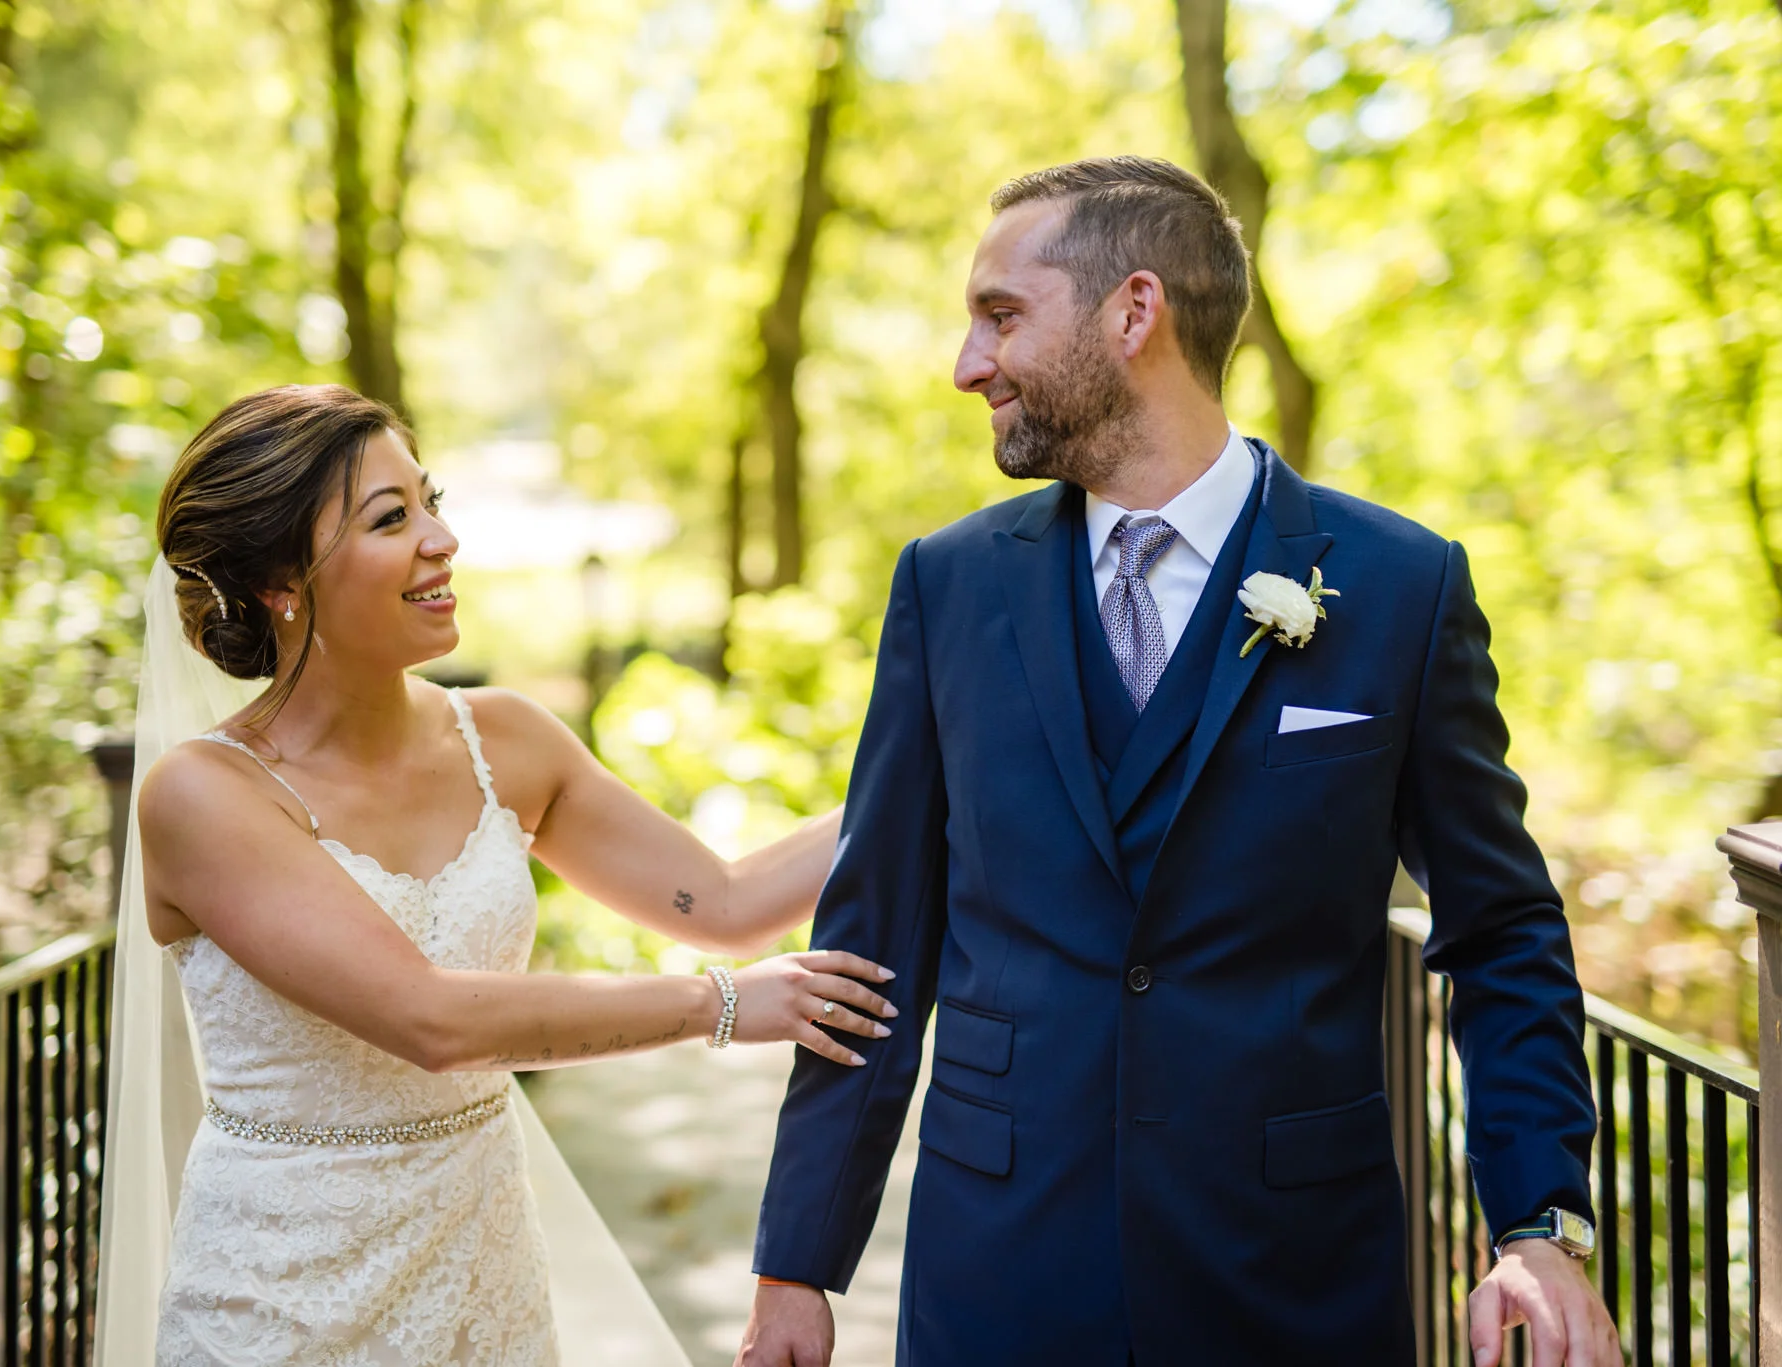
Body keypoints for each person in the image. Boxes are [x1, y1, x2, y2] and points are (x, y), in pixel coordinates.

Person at [737, 156, 1621, 1367]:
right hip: (997, 1265)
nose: (965, 363)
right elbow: (874, 941)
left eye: (1000, 315)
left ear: (1132, 311)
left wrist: (1540, 1222)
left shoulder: (1400, 587)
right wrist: (797, 1260)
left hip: (1289, 1276)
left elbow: (1501, 927)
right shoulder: (946, 586)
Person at [92, 383, 896, 1367]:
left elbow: (724, 902)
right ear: (278, 580)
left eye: (431, 501)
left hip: (484, 1280)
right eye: (393, 518)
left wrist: (929, 769)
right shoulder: (203, 794)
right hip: (284, 1301)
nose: (443, 540)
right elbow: (431, 1019)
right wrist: (720, 1006)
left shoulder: (504, 739)